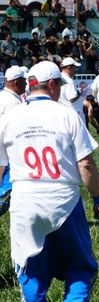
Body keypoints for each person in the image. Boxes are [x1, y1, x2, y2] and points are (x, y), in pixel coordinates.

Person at [0, 61, 99, 302]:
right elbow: (85, 164)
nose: (61, 89)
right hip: (64, 200)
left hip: (24, 202)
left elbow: (0, 166)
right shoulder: (65, 114)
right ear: (51, 86)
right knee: (81, 263)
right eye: (59, 84)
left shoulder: (10, 118)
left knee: (30, 271)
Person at [0, 66, 26, 217]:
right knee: (7, 189)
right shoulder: (13, 103)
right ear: (16, 82)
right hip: (7, 150)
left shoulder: (3, 97)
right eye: (24, 81)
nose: (27, 84)